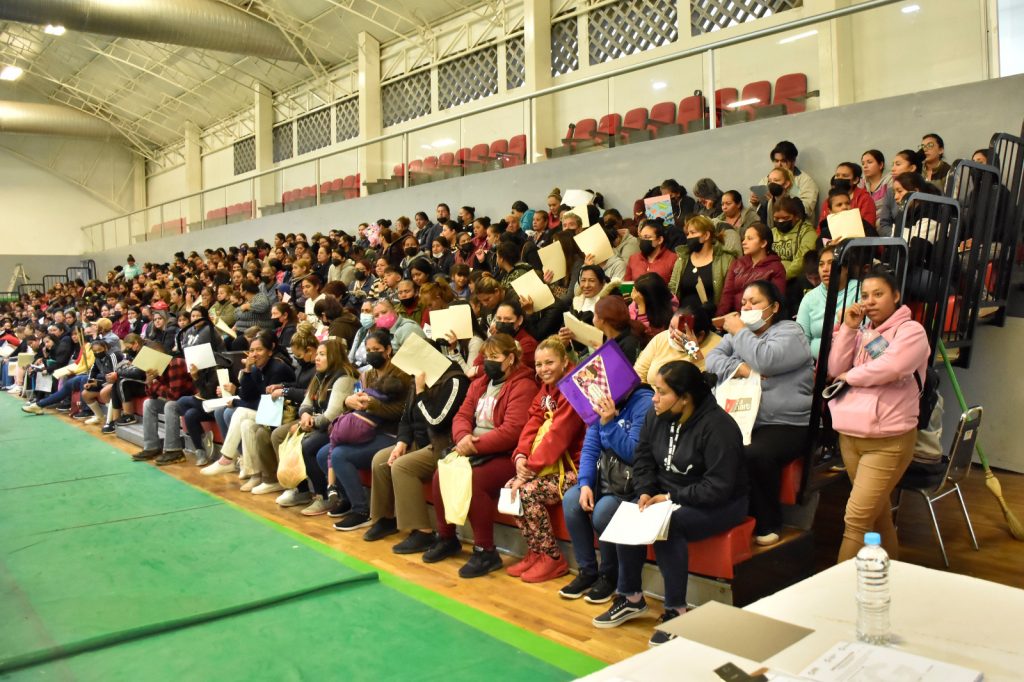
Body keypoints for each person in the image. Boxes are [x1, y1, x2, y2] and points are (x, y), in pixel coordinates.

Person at [593, 361, 748, 647]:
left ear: (684, 398)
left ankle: (676, 611)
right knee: (631, 512)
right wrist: (644, 491)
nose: (654, 398)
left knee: (669, 525)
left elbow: (718, 487)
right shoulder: (656, 416)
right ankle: (631, 597)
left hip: (720, 503)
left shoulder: (719, 427)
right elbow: (643, 460)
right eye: (654, 390)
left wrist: (671, 498)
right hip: (669, 494)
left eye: (661, 392)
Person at [827, 267, 930, 562]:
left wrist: (851, 377)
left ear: (896, 296)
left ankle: (838, 587)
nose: (869, 301)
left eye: (878, 294)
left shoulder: (911, 331)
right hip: (850, 433)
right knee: (878, 515)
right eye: (865, 295)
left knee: (857, 519)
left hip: (888, 439)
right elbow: (835, 368)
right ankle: (890, 576)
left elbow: (893, 367)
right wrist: (848, 329)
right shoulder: (862, 332)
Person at [705, 281, 814, 545]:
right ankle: (725, 516)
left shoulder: (791, 332)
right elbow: (712, 359)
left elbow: (766, 359)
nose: (747, 307)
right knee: (710, 445)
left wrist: (741, 332)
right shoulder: (736, 335)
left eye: (754, 302)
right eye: (743, 303)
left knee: (755, 454)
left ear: (774, 307)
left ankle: (768, 522)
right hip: (743, 417)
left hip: (785, 422)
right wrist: (743, 369)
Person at [423, 333, 539, 578]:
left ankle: (485, 551)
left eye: (494, 357)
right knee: (440, 474)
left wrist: (472, 446)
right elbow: (462, 415)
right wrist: (462, 437)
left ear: (510, 359)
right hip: (472, 446)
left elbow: (512, 431)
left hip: (507, 455)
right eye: (486, 357)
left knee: (475, 480)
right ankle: (447, 538)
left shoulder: (524, 385)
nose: (488, 362)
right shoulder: (480, 383)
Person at [559, 381, 654, 602]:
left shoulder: (644, 402)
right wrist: (584, 483)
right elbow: (590, 448)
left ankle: (609, 575)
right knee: (572, 500)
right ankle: (588, 571)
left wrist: (609, 423)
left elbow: (635, 454)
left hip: (631, 485)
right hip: (606, 477)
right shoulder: (599, 401)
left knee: (603, 511)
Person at [504, 338, 587, 583]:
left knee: (526, 493)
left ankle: (552, 557)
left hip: (577, 469)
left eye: (549, 363)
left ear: (564, 361)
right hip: (548, 466)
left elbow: (558, 436)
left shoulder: (574, 388)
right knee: (510, 489)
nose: (543, 369)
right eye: (539, 365)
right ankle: (536, 551)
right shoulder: (547, 388)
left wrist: (528, 470)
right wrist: (520, 456)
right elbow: (533, 421)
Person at [364, 361, 469, 551]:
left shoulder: (455, 381)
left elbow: (437, 421)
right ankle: (385, 519)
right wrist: (402, 442)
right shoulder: (418, 379)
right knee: (380, 459)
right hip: (418, 441)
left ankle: (423, 532)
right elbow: (406, 418)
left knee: (402, 467)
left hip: (442, 445)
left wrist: (421, 392)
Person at [321, 329, 412, 531]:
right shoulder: (367, 374)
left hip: (391, 433)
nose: (372, 354)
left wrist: (370, 404)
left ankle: (361, 511)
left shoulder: (401, 374)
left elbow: (402, 411)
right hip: (366, 429)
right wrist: (348, 401)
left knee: (339, 455)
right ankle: (346, 499)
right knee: (322, 454)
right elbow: (354, 403)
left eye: (376, 349)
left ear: (388, 350)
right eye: (368, 350)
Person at [201, 331, 295, 476]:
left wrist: (236, 402)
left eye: (259, 350)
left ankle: (227, 459)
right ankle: (253, 472)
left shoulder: (278, 369)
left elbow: (267, 405)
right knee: (245, 424)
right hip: (267, 411)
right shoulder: (256, 368)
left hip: (281, 414)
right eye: (251, 350)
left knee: (240, 412)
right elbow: (247, 395)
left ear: (270, 351)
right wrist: (247, 370)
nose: (254, 354)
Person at [797, 243, 860, 357]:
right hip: (814, 363)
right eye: (821, 264)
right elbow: (801, 340)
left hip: (852, 361)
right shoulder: (810, 297)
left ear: (846, 268)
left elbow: (863, 333)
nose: (825, 269)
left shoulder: (860, 291)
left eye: (831, 263)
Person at [667, 215, 737, 315]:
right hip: (682, 316)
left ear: (706, 235)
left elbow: (728, 295)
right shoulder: (682, 258)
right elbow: (673, 287)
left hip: (711, 317)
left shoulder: (726, 260)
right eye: (687, 234)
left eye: (692, 233)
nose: (688, 237)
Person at [717, 223, 787, 316]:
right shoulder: (737, 264)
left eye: (750, 239)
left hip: (761, 319)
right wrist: (720, 317)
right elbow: (727, 294)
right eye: (744, 238)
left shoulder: (776, 267)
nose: (743, 242)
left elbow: (776, 301)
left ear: (763, 243)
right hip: (735, 317)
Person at [634, 306, 719, 382]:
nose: (671, 336)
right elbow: (638, 374)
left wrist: (694, 352)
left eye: (680, 333)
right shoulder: (661, 338)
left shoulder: (717, 348)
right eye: (671, 327)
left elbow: (707, 385)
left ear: (700, 336)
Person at [751, 141, 819, 218]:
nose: (779, 165)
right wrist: (755, 202)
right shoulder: (767, 179)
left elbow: (806, 209)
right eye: (776, 161)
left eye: (783, 161)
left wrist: (777, 200)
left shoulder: (805, 181)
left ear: (793, 160)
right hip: (770, 222)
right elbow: (755, 211)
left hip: (796, 223)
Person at [771, 196, 817, 284]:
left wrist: (782, 277)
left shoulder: (807, 232)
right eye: (776, 218)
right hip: (773, 279)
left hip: (796, 280)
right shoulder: (772, 232)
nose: (780, 221)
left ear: (796, 217)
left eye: (785, 218)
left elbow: (802, 260)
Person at [591, 295, 645, 363]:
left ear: (602, 320)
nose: (593, 318)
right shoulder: (606, 337)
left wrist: (604, 356)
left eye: (594, 314)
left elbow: (624, 369)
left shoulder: (629, 344)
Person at [628, 272, 676, 340]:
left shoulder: (671, 303)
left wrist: (641, 307)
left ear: (648, 297)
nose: (633, 294)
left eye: (637, 292)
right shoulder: (636, 302)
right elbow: (634, 329)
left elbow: (645, 334)